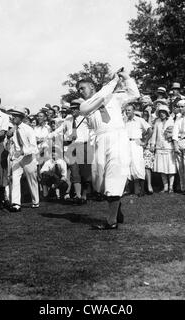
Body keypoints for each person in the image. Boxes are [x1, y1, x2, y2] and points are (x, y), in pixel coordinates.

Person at [79, 68, 140, 230]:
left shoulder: (114, 98)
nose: (80, 92)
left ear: (92, 86)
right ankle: (117, 208)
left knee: (115, 174)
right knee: (100, 179)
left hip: (117, 137)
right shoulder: (85, 105)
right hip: (100, 140)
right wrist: (112, 81)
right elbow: (100, 97)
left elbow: (134, 94)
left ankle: (111, 220)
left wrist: (125, 77)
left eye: (82, 88)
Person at [6, 107, 39, 212]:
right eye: (12, 116)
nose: (13, 118)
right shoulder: (12, 129)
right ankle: (16, 204)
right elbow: (8, 145)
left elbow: (34, 147)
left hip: (28, 157)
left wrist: (22, 151)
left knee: (32, 180)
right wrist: (8, 137)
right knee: (15, 179)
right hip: (17, 158)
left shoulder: (28, 129)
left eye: (15, 116)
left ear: (20, 117)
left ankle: (35, 201)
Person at [66, 99, 92, 205]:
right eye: (71, 109)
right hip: (72, 146)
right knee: (74, 171)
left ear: (79, 109)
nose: (73, 111)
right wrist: (68, 137)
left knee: (85, 173)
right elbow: (61, 132)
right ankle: (79, 196)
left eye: (75, 109)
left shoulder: (86, 119)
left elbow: (94, 130)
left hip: (84, 146)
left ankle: (84, 195)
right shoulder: (67, 120)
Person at [124, 103, 152, 196]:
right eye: (126, 110)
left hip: (136, 144)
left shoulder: (140, 120)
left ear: (133, 111)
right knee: (128, 165)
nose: (127, 112)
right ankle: (131, 189)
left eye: (129, 110)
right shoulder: (124, 121)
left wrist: (145, 142)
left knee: (138, 165)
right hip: (127, 144)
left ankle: (142, 189)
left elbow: (150, 130)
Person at [150, 104, 176, 193]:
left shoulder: (171, 121)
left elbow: (174, 133)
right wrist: (152, 145)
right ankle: (165, 186)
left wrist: (170, 136)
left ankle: (171, 187)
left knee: (170, 167)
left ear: (167, 113)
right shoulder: (157, 122)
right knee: (162, 168)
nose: (162, 114)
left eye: (163, 112)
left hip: (169, 147)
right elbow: (154, 135)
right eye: (160, 112)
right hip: (159, 147)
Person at [142, 110, 154, 194]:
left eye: (147, 114)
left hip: (147, 147)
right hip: (138, 147)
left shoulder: (151, 125)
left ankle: (149, 185)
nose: (145, 116)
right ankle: (140, 187)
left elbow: (152, 133)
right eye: (144, 114)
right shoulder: (138, 123)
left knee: (147, 167)